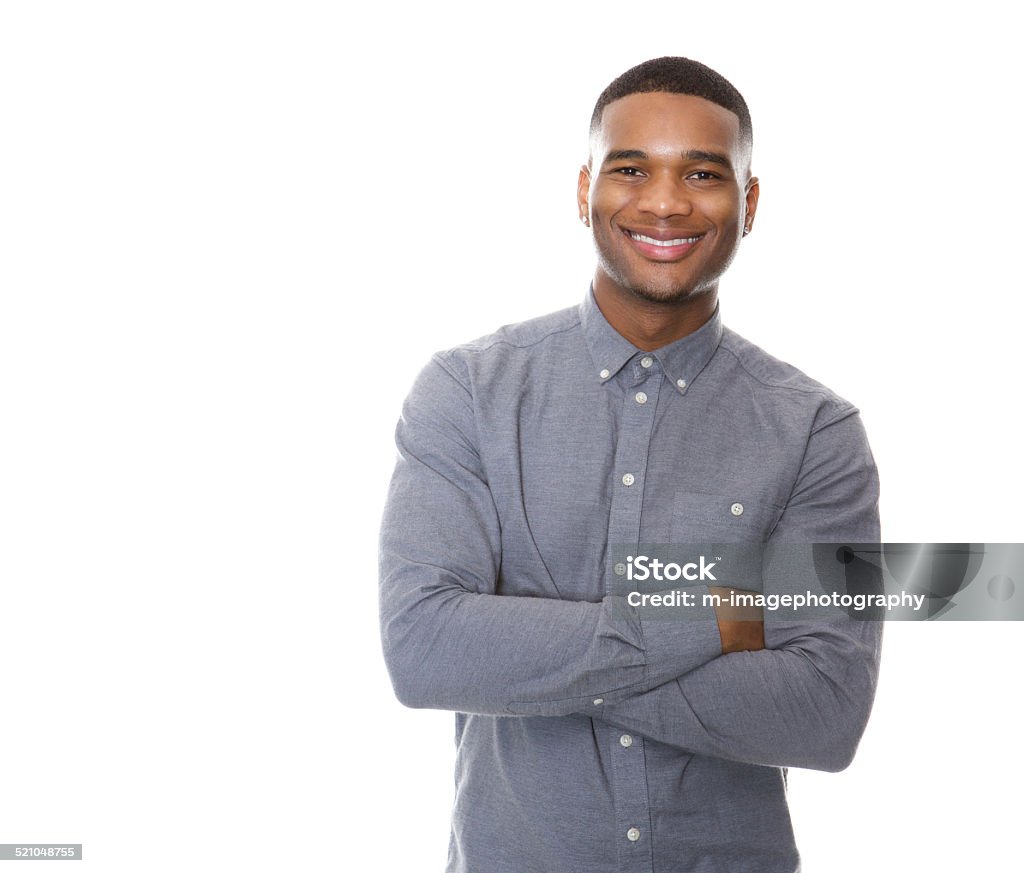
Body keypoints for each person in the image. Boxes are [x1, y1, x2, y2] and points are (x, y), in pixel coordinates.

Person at [379, 56, 882, 873]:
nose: (665, 201)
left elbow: (825, 712)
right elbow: (426, 648)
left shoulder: (818, 433)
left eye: (704, 173)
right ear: (584, 191)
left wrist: (534, 647)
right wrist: (731, 606)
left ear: (748, 204)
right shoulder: (466, 392)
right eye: (631, 168)